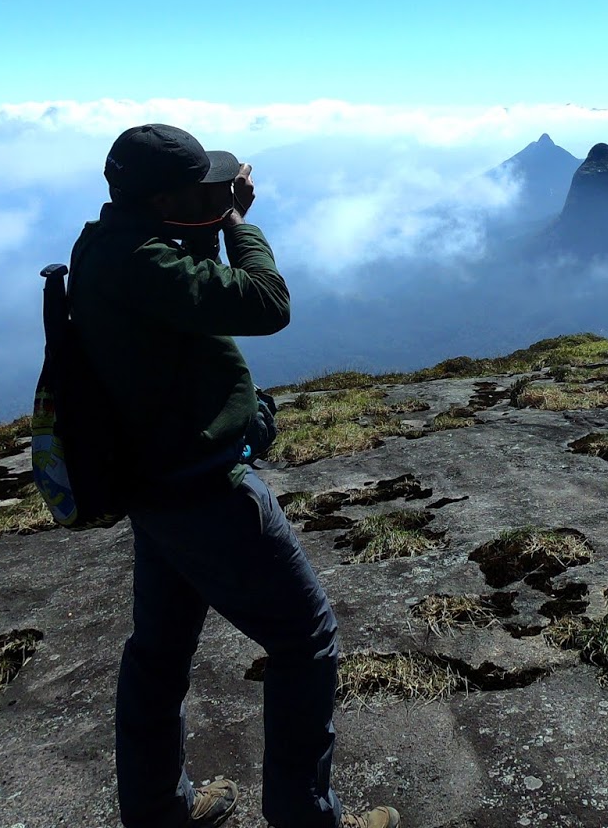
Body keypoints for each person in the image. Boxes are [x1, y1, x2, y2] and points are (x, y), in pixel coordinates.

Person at [69, 123, 399, 828]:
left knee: (158, 656)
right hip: (206, 491)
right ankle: (306, 819)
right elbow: (266, 304)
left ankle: (159, 812)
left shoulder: (108, 244)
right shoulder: (148, 262)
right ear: (167, 198)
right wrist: (239, 224)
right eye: (202, 186)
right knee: (305, 641)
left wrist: (204, 218)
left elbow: (171, 282)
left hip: (154, 488)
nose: (218, 191)